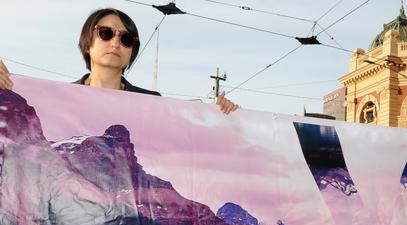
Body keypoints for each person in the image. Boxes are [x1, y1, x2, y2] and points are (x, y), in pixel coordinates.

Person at [0, 8, 238, 113]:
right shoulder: (56, 101)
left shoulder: (151, 103)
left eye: (126, 39)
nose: (115, 43)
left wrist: (219, 117)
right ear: (87, 42)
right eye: (106, 33)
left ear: (132, 51)